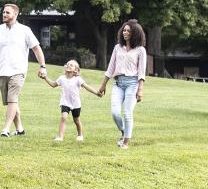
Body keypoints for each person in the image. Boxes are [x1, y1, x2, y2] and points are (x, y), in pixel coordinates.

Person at [0, 3, 48, 137]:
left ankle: (6, 129)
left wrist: (42, 66)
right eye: (3, 12)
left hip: (18, 71)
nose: (4, 14)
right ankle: (20, 129)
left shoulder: (25, 30)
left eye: (7, 12)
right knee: (11, 102)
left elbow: (36, 48)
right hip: (2, 71)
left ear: (15, 14)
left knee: (12, 99)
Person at [95, 19, 146, 149]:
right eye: (124, 30)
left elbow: (141, 72)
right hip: (118, 83)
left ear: (135, 33)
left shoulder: (140, 50)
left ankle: (125, 142)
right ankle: (124, 132)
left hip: (132, 84)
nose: (125, 32)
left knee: (128, 113)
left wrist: (140, 89)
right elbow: (111, 68)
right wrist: (103, 84)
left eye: (128, 30)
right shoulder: (118, 48)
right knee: (115, 113)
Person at [38, 59, 100, 141]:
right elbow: (53, 84)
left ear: (76, 70)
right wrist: (45, 78)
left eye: (71, 65)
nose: (69, 65)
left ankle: (80, 135)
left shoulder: (78, 79)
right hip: (65, 102)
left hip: (76, 104)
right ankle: (60, 137)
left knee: (76, 120)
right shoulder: (62, 78)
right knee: (63, 117)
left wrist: (97, 92)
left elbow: (87, 87)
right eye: (68, 64)